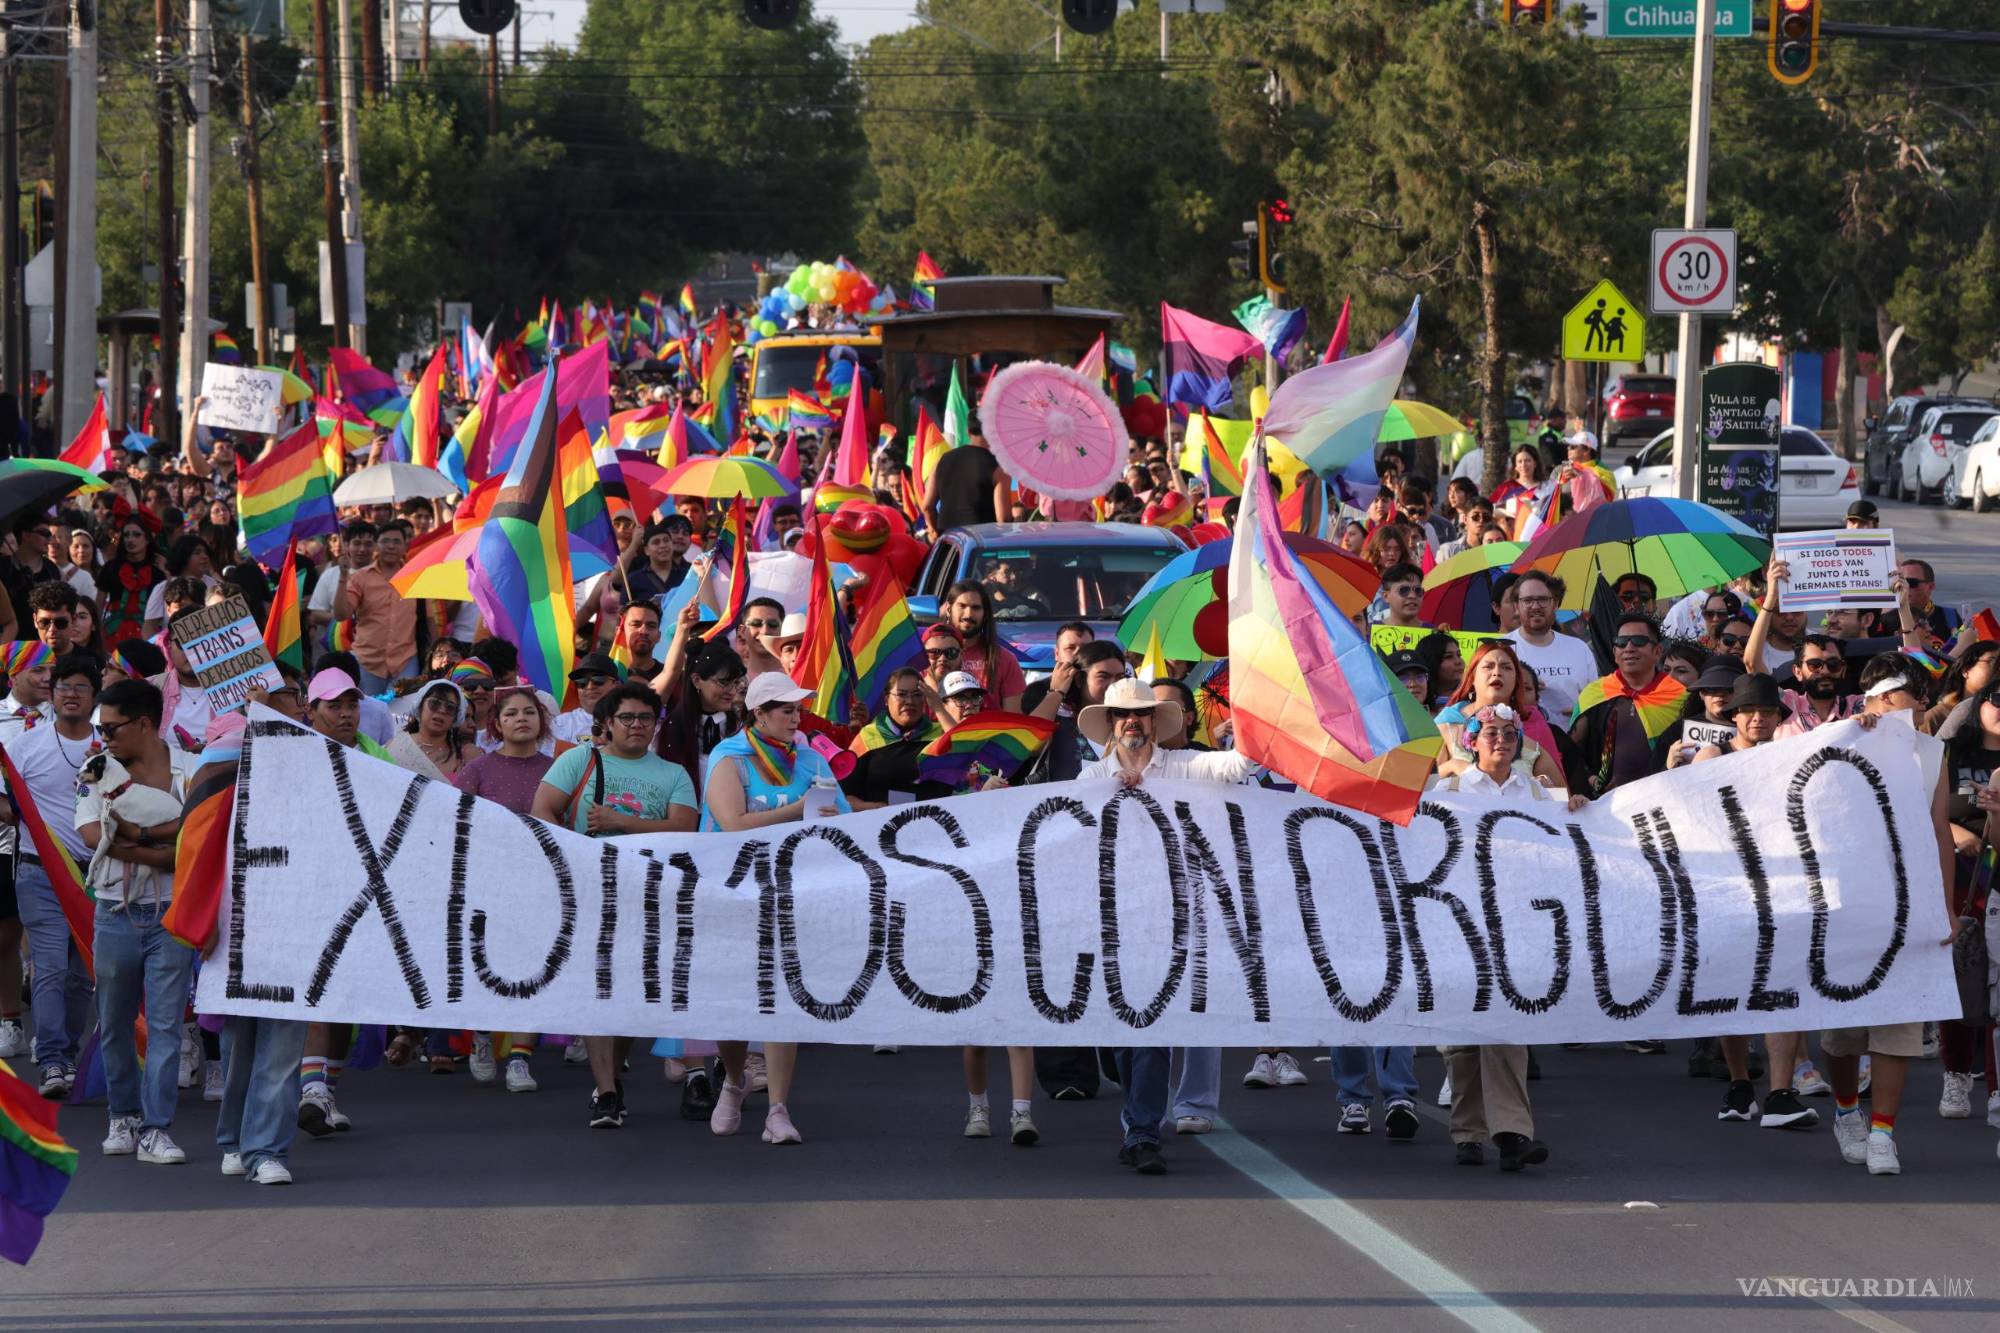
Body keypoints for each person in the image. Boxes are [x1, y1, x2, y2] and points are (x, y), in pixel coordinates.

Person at [1077, 677, 1258, 1175]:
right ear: (1111, 723)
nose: (1131, 722)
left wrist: (1249, 715)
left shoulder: (1183, 767)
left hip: (1172, 920)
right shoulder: (1090, 778)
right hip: (1113, 921)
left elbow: (1240, 765)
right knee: (1120, 1039)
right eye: (1122, 714)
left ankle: (1142, 1132)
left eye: (1141, 713)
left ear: (1155, 722)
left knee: (1151, 1028)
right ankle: (1137, 1115)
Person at [531, 681, 697, 1129]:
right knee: (597, 989)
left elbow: (685, 828)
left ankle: (612, 1078)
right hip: (589, 890)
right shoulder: (578, 760)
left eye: (646, 718)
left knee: (632, 993)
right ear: (606, 723)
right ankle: (606, 1092)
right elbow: (543, 809)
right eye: (627, 718)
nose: (637, 725)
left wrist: (620, 821)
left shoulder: (674, 773)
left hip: (649, 895)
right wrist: (571, 857)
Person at [700, 672, 854, 1146]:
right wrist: (799, 809)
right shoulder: (729, 758)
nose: (796, 717)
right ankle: (733, 1079)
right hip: (732, 895)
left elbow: (843, 822)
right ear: (759, 714)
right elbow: (733, 824)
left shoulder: (811, 759)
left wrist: (832, 819)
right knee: (732, 1003)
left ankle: (778, 1109)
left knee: (782, 997)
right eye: (786, 709)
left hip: (791, 894)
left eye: (798, 709)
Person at [1430, 704, 1579, 1169]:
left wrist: (1577, 807)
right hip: (1459, 922)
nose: (1500, 741)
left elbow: (1559, 840)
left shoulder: (1534, 790)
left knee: (1509, 1025)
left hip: (1515, 923)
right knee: (1462, 1035)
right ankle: (1468, 1132)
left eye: (1509, 734)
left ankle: (1513, 1132)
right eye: (1490, 733)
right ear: (1472, 741)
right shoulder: (1449, 790)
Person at [78, 677, 197, 1166]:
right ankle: (122, 1116)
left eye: (111, 728)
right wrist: (160, 847)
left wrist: (131, 840)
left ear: (144, 724)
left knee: (167, 1026)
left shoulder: (191, 768)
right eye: (101, 729)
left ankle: (156, 1128)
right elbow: (91, 836)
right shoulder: (98, 769)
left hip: (172, 916)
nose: (103, 738)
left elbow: (192, 843)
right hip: (113, 912)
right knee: (114, 1023)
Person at [189, 711, 308, 1185]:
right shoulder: (210, 808)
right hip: (233, 942)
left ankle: (266, 1151)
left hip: (295, 940)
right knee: (240, 1049)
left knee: (282, 1053)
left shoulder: (309, 800)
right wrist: (203, 927)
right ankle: (234, 1141)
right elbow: (194, 870)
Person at [2, 653, 98, 1096]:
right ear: (52, 695)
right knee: (51, 968)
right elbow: (4, 800)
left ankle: (67, 1054)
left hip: (96, 877)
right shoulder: (25, 746)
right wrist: (16, 814)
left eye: (80, 688)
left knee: (82, 975)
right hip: (40, 874)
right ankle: (54, 1061)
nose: (70, 695)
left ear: (94, 695)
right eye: (63, 687)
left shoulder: (108, 746)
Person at [1570, 611, 1682, 799]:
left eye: (1638, 641)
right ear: (1615, 653)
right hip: (1607, 805)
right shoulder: (1594, 694)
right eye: (1621, 642)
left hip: (1664, 799)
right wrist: (1589, 779)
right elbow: (1571, 751)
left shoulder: (1680, 697)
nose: (1629, 648)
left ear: (1657, 651)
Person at [1506, 573, 1597, 721]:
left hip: (1573, 733)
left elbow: (1595, 702)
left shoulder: (1579, 648)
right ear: (1516, 606)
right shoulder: (1501, 649)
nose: (1535, 606)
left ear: (1555, 604)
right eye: (1528, 600)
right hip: (1520, 733)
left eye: (1543, 600)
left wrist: (1580, 709)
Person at [940, 579, 1026, 712]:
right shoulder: (930, 655)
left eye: (976, 608)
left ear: (985, 613)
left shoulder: (1005, 660)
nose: (968, 614)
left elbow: (1014, 718)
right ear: (948, 609)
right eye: (962, 606)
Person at [924, 428, 1011, 532]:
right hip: (983, 538)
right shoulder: (999, 468)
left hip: (948, 537)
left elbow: (927, 507)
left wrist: (934, 532)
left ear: (968, 432)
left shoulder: (940, 461)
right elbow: (1003, 519)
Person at [386, 679, 475, 780]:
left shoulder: (465, 756)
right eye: (434, 703)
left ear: (456, 717)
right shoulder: (396, 745)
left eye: (450, 707)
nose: (442, 710)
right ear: (420, 707)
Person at [98, 520, 163, 649]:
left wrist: (166, 573)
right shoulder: (111, 567)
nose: (130, 539)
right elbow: (98, 604)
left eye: (136, 535)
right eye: (126, 535)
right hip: (113, 633)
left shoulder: (158, 571)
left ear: (147, 539)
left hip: (147, 633)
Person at [553, 652, 625, 745]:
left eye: (598, 680)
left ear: (616, 684)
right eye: (582, 682)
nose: (590, 687)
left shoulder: (633, 720)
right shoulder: (561, 723)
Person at [624, 518, 694, 602]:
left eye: (666, 541)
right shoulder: (634, 579)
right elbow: (624, 609)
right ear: (646, 550)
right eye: (656, 542)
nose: (663, 545)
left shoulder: (689, 576)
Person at [1898, 559, 1959, 651]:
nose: (1905, 588)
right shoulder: (1887, 620)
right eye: (1900, 582)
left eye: (1911, 583)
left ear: (1931, 586)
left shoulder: (1950, 616)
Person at [1373, 562, 1427, 629]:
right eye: (1404, 590)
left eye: (1418, 590)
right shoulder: (1370, 632)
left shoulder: (1433, 632)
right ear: (1386, 596)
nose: (1412, 595)